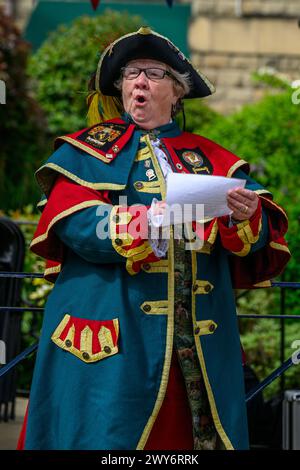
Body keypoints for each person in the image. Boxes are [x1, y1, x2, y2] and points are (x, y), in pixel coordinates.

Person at [18, 27, 290, 450]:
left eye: (154, 73)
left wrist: (246, 215)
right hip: (115, 338)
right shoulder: (84, 153)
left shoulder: (211, 158)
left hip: (195, 346)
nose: (139, 82)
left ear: (177, 92)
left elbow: (261, 233)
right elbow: (74, 223)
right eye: (130, 73)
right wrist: (140, 223)